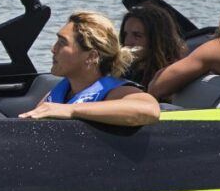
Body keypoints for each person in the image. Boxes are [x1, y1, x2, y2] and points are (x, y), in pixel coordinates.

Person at [20, 11, 160, 126]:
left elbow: (150, 110)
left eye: (62, 43)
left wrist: (70, 110)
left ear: (91, 57)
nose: (53, 49)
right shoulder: (59, 93)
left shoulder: (115, 93)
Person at [121, 2, 187, 90]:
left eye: (137, 35)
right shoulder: (122, 71)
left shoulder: (170, 76)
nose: (127, 41)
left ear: (156, 39)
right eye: (125, 34)